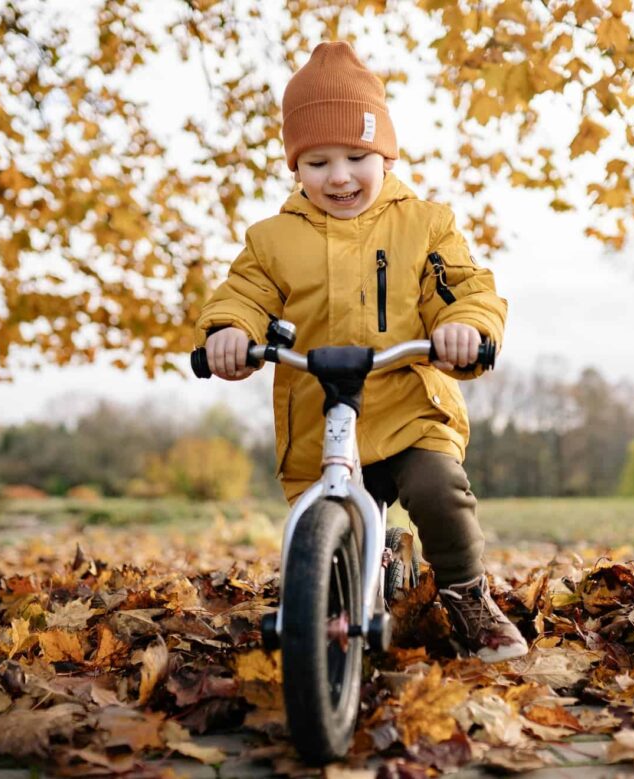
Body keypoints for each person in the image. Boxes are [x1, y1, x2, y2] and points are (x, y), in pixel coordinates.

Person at [195, 41, 527, 663]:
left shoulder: (425, 225)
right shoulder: (273, 241)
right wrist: (227, 333)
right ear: (296, 167)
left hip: (408, 406)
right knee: (329, 535)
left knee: (437, 490)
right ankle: (338, 601)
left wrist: (462, 327)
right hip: (325, 421)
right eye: (318, 161)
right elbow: (243, 294)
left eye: (356, 156)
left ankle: (466, 595)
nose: (340, 176)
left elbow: (466, 289)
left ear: (385, 153)